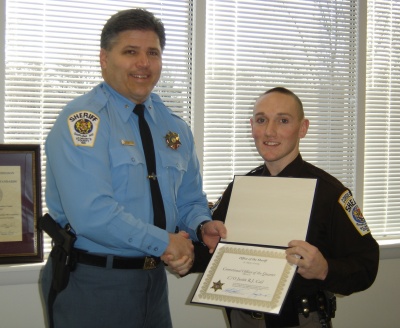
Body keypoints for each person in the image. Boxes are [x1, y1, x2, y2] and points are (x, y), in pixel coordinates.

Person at [40, 8, 226, 328]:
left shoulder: (174, 128)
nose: (144, 63)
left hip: (152, 283)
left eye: (152, 53)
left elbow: (189, 199)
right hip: (94, 282)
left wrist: (201, 225)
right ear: (104, 58)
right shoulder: (83, 122)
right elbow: (93, 214)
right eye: (131, 52)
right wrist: (166, 243)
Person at [191, 87, 379, 328]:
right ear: (252, 126)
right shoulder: (239, 190)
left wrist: (325, 269)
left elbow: (367, 266)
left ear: (303, 128)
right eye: (261, 120)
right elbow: (215, 251)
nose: (270, 131)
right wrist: (182, 252)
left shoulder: (331, 194)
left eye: (283, 120)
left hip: (301, 319)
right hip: (242, 319)